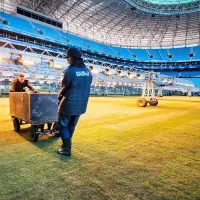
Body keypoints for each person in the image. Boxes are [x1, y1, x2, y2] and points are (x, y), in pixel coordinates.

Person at [57, 47, 92, 156]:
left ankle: (67, 149)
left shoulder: (70, 71)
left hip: (68, 104)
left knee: (63, 125)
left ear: (71, 58)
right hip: (81, 105)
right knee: (71, 126)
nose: (67, 60)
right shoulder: (88, 72)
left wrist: (60, 96)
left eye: (68, 58)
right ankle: (66, 146)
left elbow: (64, 87)